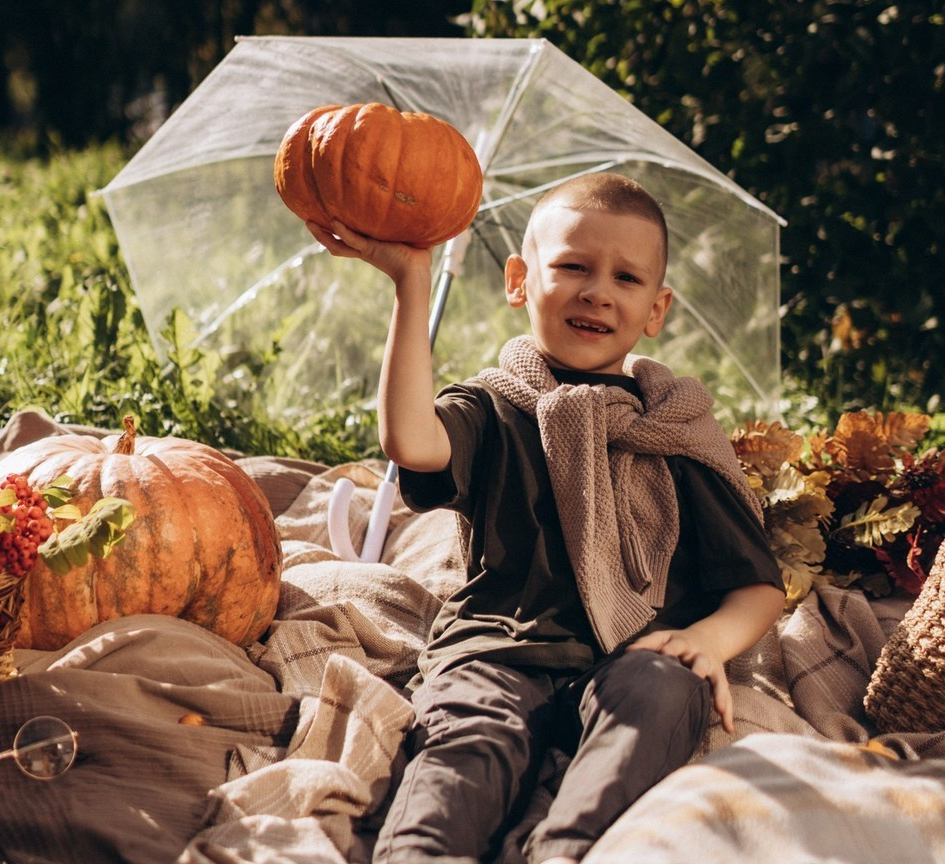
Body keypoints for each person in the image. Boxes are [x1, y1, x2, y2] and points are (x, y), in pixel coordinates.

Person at [306, 172, 785, 864]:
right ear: (519, 281)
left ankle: (568, 849)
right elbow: (412, 442)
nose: (597, 290)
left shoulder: (674, 430)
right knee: (468, 744)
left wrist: (709, 639)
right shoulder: (497, 407)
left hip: (634, 657)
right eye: (572, 267)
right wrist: (412, 281)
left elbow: (757, 583)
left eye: (626, 278)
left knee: (662, 698)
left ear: (657, 308)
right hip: (501, 649)